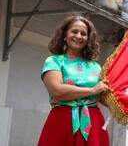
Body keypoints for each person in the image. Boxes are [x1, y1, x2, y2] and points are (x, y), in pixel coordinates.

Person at [38, 15, 110, 146]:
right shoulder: (54, 61)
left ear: (88, 39)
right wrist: (92, 90)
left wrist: (120, 104)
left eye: (83, 33)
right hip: (63, 120)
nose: (79, 36)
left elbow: (102, 96)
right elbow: (57, 90)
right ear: (65, 35)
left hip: (93, 121)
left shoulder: (96, 66)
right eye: (74, 31)